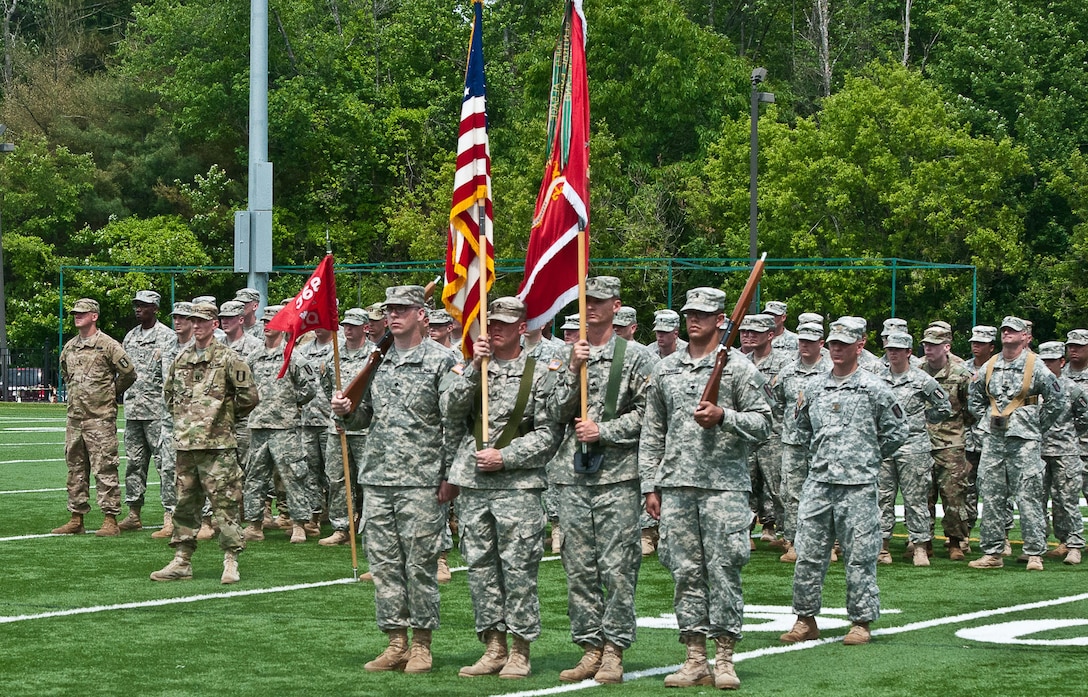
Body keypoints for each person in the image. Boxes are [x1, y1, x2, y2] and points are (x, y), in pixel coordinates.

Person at [640, 287, 772, 690]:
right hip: (677, 486)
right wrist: (651, 484)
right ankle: (695, 657)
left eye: (703, 313)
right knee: (685, 573)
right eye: (689, 313)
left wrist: (724, 416)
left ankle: (725, 657)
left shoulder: (739, 369)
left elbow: (764, 423)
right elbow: (652, 431)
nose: (693, 319)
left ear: (721, 320)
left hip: (723, 488)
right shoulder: (665, 369)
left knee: (724, 570)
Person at [330, 285, 456, 675]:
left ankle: (421, 644)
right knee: (384, 566)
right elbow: (363, 415)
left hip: (422, 479)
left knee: (419, 565)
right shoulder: (376, 361)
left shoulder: (442, 361)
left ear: (423, 314)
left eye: (403, 308)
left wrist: (450, 475)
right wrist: (345, 410)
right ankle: (395, 641)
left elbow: (453, 423)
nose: (394, 314)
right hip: (379, 476)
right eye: (390, 309)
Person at [443, 297, 562, 679]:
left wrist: (506, 457)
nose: (495, 329)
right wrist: (473, 368)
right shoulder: (471, 368)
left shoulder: (541, 372)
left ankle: (520, 649)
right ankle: (493, 645)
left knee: (518, 569)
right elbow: (450, 410)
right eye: (491, 323)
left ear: (522, 328)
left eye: (504, 324)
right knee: (480, 568)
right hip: (475, 484)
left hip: (517, 486)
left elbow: (548, 435)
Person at [546, 276, 653, 684]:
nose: (591, 308)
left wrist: (604, 431)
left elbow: (648, 415)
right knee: (578, 567)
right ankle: (590, 647)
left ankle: (614, 651)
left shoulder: (638, 357)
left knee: (618, 568)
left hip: (616, 477)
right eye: (586, 301)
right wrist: (572, 368)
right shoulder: (564, 355)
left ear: (616, 306)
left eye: (600, 301)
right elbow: (552, 412)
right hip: (572, 476)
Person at [781, 316, 907, 646]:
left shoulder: (874, 388)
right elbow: (802, 429)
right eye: (833, 343)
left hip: (859, 485)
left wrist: (868, 456)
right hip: (819, 483)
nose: (836, 349)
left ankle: (861, 621)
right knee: (808, 553)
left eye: (843, 344)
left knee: (860, 556)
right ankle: (805, 619)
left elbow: (897, 431)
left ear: (860, 345)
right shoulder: (813, 387)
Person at [151, 302, 257, 583]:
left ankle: (231, 560)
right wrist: (187, 422)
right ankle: (182, 560)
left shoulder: (229, 358)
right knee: (185, 504)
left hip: (218, 446)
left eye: (201, 321)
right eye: (192, 321)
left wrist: (223, 417)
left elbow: (249, 397)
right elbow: (169, 395)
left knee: (225, 504)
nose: (195, 326)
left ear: (214, 325)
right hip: (186, 446)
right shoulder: (181, 358)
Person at [967, 316, 1061, 570]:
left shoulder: (1037, 365)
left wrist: (1035, 424)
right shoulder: (990, 365)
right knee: (992, 495)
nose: (1007, 333)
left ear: (1026, 337)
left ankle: (1034, 553)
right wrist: (987, 418)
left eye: (1013, 331)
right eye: (1005, 330)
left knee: (1029, 496)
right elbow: (974, 397)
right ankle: (993, 552)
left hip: (1025, 441)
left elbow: (1057, 400)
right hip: (994, 440)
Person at [52, 298, 137, 536]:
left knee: (105, 468)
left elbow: (129, 372)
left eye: (82, 313)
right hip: (75, 419)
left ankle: (110, 519)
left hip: (100, 419)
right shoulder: (69, 347)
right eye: (75, 313)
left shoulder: (108, 345)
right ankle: (76, 517)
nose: (77, 316)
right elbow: (66, 374)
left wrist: (111, 393)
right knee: (75, 469)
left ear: (94, 316)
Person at [241, 305, 319, 544]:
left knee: (294, 476)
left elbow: (309, 388)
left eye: (271, 322)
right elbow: (244, 388)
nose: (266, 326)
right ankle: (254, 524)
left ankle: (298, 524)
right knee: (254, 476)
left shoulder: (293, 356)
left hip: (284, 427)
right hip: (258, 426)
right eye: (264, 321)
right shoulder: (253, 357)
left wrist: (289, 403)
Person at [875, 332, 952, 567]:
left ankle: (919, 547)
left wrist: (921, 420)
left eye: (898, 349)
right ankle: (882, 546)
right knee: (881, 498)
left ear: (909, 352)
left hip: (913, 446)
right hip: (884, 446)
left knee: (916, 498)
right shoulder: (876, 378)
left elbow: (944, 406)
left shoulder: (922, 380)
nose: (893, 353)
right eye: (890, 349)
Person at [119, 290, 178, 536]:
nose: (138, 309)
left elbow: (171, 377)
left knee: (165, 464)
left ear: (155, 308)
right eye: (136, 305)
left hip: (157, 412)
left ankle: (170, 515)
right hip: (133, 411)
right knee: (134, 463)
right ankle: (134, 513)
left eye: (143, 305)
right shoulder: (130, 337)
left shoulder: (168, 337)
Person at [771, 321, 830, 562]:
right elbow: (775, 401)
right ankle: (794, 543)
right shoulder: (787, 372)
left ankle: (828, 543)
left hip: (821, 444)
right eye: (802, 341)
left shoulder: (830, 371)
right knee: (792, 494)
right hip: (793, 442)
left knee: (824, 492)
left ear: (821, 344)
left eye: (810, 341)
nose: (804, 345)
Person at [919, 325, 974, 560]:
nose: (928, 349)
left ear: (947, 347)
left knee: (953, 495)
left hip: (950, 443)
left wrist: (956, 431)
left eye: (933, 345)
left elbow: (970, 409)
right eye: (926, 345)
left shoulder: (961, 374)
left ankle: (954, 542)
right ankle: (924, 541)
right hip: (921, 441)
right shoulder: (917, 371)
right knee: (923, 495)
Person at [318, 308, 372, 547]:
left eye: (353, 325)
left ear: (365, 328)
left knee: (368, 480)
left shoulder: (373, 355)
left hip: (366, 430)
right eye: (345, 325)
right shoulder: (333, 355)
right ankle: (341, 527)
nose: (347, 329)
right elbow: (326, 386)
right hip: (338, 429)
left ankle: (370, 528)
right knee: (337, 479)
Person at [740, 313, 791, 547]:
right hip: (746, 433)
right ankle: (744, 533)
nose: (748, 336)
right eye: (745, 332)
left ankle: (790, 536)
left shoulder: (786, 364)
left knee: (780, 489)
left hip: (774, 433)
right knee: (745, 486)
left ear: (770, 335)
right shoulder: (740, 362)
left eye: (755, 333)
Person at [1037, 341, 1087, 565]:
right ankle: (1038, 545)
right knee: (1037, 500)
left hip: (1065, 450)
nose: (1047, 365)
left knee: (1066, 500)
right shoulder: (1032, 387)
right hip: (1037, 450)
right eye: (1044, 360)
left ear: (1062, 362)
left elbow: (1085, 416)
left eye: (1052, 361)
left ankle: (1074, 544)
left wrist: (1069, 434)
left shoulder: (1072, 388)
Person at [964, 324, 998, 551]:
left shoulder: (999, 368)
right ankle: (964, 533)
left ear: (991, 346)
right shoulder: (963, 368)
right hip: (967, 437)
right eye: (974, 343)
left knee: (995, 489)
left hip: (992, 437)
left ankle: (1001, 536)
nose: (976, 347)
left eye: (981, 343)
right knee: (966, 488)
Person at [1062, 329, 1088, 509]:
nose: (1073, 350)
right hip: (1062, 447)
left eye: (1078, 346)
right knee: (1064, 499)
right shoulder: (1057, 375)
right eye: (1070, 346)